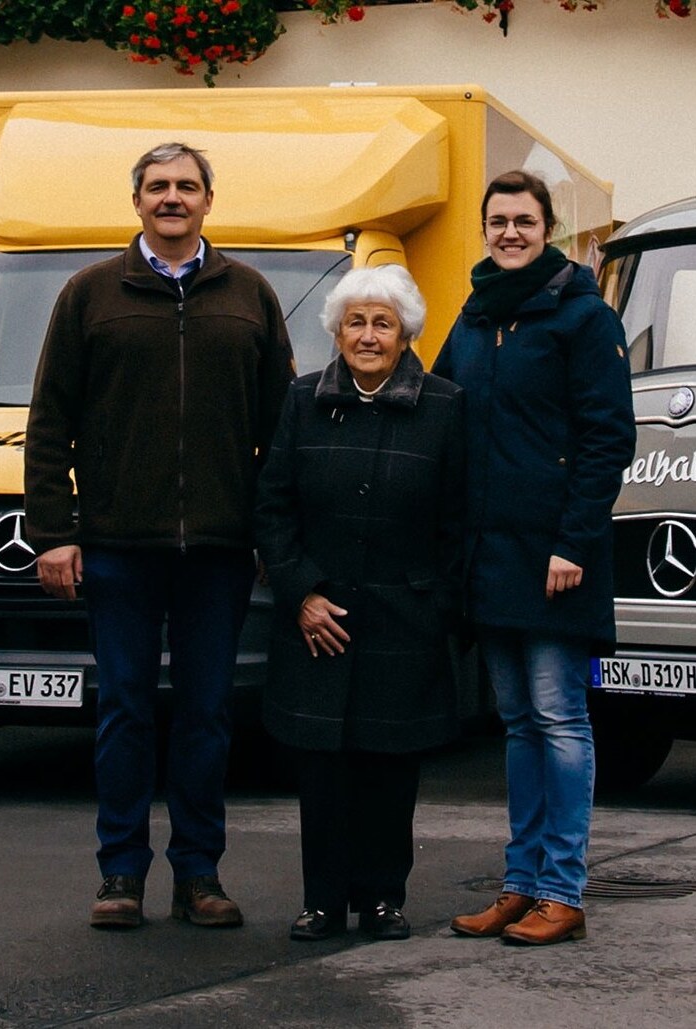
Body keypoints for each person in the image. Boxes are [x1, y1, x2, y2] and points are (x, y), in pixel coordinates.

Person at [24, 142, 294, 930]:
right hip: (116, 546)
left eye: (186, 186)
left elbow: (281, 432)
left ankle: (199, 873)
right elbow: (50, 423)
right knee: (124, 714)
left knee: (208, 714)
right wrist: (54, 531)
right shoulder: (89, 294)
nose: (171, 197)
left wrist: (273, 537)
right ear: (136, 201)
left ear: (210, 200)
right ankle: (120, 874)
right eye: (157, 186)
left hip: (219, 549)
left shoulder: (249, 294)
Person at [434, 170, 636, 946]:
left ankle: (563, 889)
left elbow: (606, 439)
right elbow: (442, 414)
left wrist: (573, 542)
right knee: (518, 723)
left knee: (559, 718)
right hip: (490, 558)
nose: (509, 232)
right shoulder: (475, 316)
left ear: (547, 227)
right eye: (497, 221)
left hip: (556, 560)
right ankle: (519, 885)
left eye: (523, 220)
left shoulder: (584, 318)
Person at [254, 265, 464, 942]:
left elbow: (460, 521)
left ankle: (381, 898)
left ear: (405, 333)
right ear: (336, 331)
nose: (368, 335)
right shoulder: (302, 399)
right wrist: (301, 592)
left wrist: (436, 606)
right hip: (318, 620)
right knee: (321, 770)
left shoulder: (445, 405)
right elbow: (273, 505)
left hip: (405, 620)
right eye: (356, 321)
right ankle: (322, 900)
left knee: (388, 767)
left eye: (382, 322)